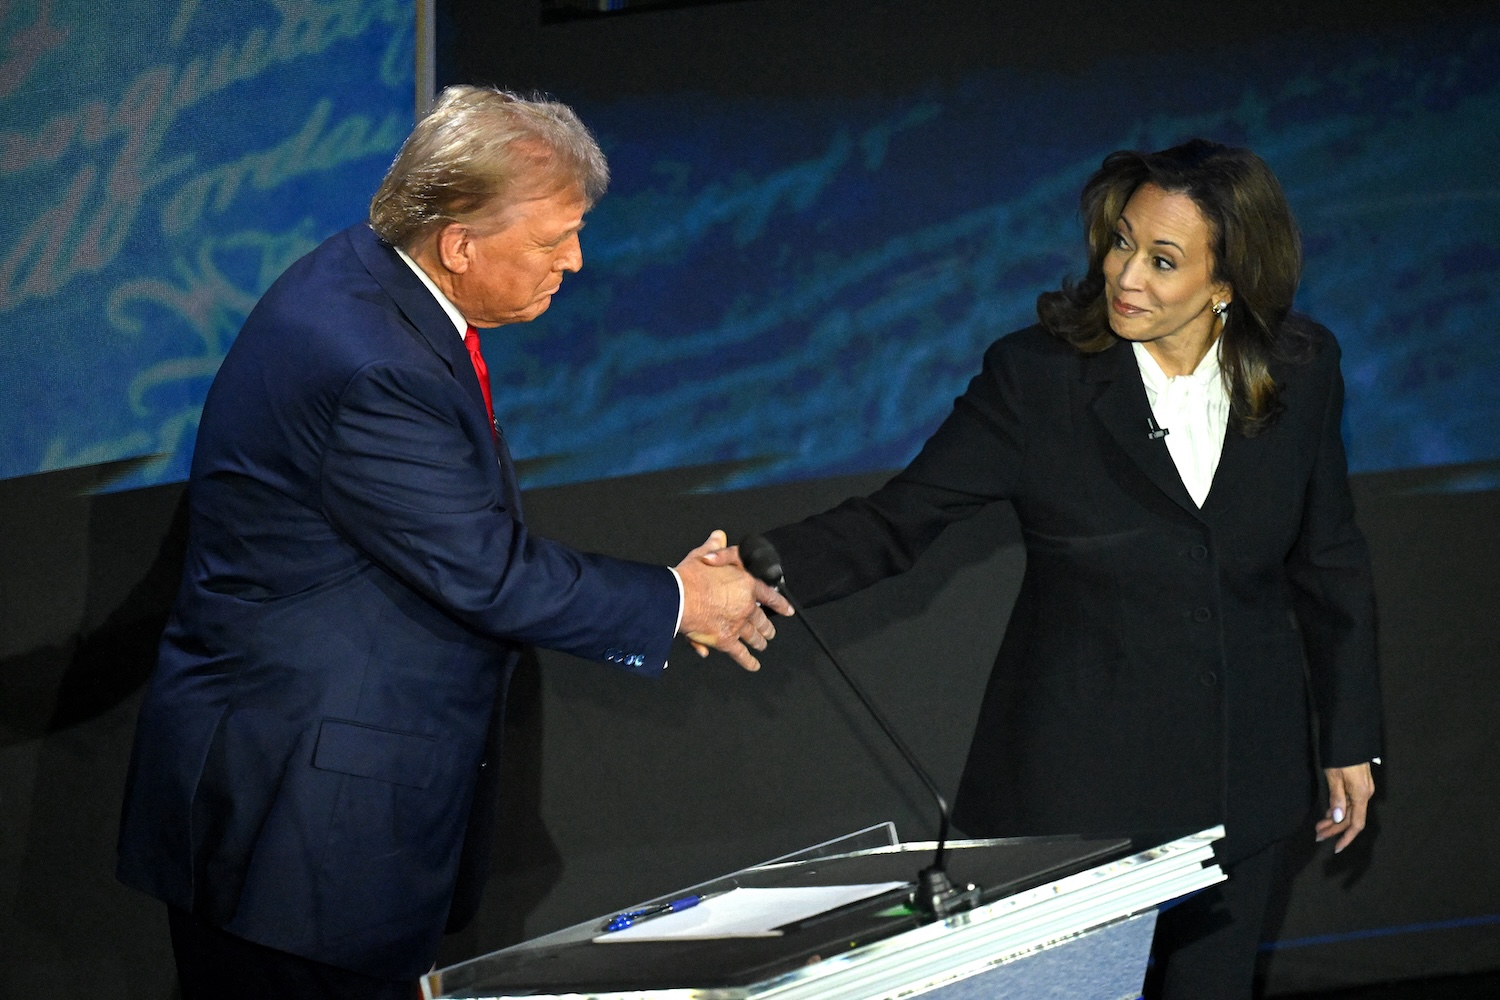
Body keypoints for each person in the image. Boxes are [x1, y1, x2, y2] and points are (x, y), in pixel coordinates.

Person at [116, 85, 791, 999]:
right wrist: (679, 599)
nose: (577, 261)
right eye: (553, 240)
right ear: (459, 241)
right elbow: (486, 570)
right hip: (298, 831)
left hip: (310, 810)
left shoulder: (368, 283)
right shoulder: (371, 361)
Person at [735, 139, 1382, 998]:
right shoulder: (1037, 379)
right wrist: (752, 571)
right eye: (1121, 242)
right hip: (1076, 798)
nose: (1126, 276)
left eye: (1163, 260)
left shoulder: (1302, 368)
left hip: (1244, 784)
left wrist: (1349, 738)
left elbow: (1329, 558)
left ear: (1227, 282)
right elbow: (900, 521)